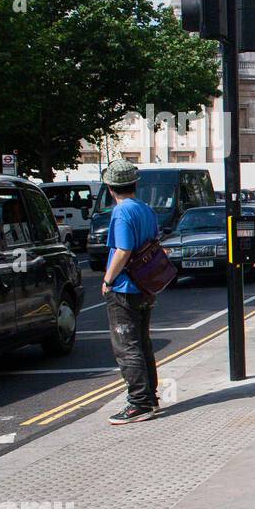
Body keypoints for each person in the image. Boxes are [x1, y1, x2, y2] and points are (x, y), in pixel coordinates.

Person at [101, 160, 161, 425]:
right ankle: (149, 396)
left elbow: (123, 250)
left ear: (111, 188)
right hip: (145, 286)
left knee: (127, 346)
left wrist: (108, 279)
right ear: (135, 184)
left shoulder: (122, 212)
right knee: (142, 342)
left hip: (125, 287)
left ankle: (138, 403)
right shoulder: (146, 209)